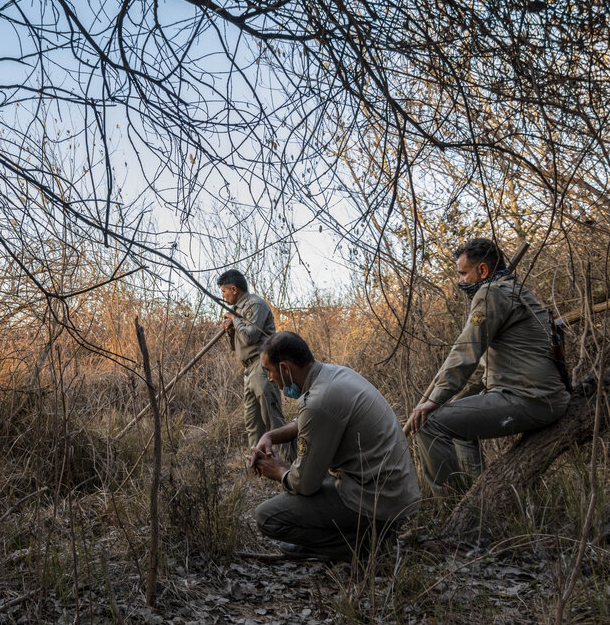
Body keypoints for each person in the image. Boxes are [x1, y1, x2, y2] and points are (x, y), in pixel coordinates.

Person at [406, 238, 571, 494]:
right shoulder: (511, 289)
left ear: (482, 271)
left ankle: (450, 505)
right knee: (456, 421)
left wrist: (434, 401)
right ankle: (477, 498)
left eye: (463, 273)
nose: (460, 281)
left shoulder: (491, 292)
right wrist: (452, 401)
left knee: (429, 424)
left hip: (530, 398)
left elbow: (465, 351)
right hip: (541, 396)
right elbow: (483, 370)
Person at [250, 331, 420, 562]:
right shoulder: (332, 375)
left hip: (379, 500)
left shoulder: (320, 400)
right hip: (394, 492)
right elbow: (308, 420)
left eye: (269, 371)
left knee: (267, 517)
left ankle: (364, 547)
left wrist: (278, 471)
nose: (270, 378)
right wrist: (270, 435)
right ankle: (364, 536)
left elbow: (304, 484)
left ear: (285, 368)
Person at [218, 269, 294, 459]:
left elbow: (251, 337)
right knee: (252, 422)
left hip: (262, 367)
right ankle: (259, 464)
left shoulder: (255, 305)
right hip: (248, 370)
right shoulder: (238, 311)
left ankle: (291, 463)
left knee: (272, 419)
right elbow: (237, 346)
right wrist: (230, 329)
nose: (223, 295)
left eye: (224, 291)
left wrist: (235, 321)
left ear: (234, 289)